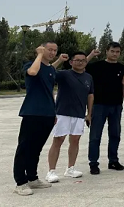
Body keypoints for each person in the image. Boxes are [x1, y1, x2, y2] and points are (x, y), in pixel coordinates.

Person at [13, 43, 58, 196]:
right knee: (24, 148)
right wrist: (39, 55)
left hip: (48, 114)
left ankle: (32, 178)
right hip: (32, 112)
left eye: (55, 50)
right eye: (49, 49)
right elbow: (32, 72)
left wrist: (54, 112)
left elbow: (50, 91)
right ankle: (20, 182)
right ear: (42, 49)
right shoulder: (31, 65)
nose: (52, 52)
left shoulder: (51, 69)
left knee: (36, 148)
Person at [45, 51, 94, 183]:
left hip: (79, 114)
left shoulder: (88, 77)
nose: (80, 62)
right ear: (71, 62)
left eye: (83, 60)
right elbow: (48, 71)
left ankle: (70, 168)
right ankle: (51, 171)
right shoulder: (64, 74)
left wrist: (89, 113)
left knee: (75, 141)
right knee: (58, 140)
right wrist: (59, 60)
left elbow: (90, 95)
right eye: (77, 60)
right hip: (63, 112)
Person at [85, 42, 124, 175]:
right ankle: (93, 163)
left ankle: (113, 160)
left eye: (117, 52)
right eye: (112, 51)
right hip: (99, 105)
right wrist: (91, 55)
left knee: (115, 134)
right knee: (95, 136)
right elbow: (81, 65)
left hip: (116, 105)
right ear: (106, 51)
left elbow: (123, 85)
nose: (115, 54)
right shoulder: (97, 66)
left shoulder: (121, 67)